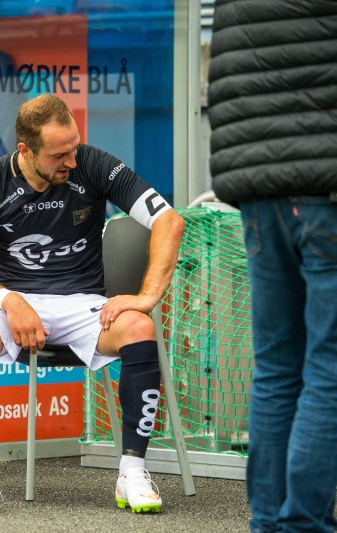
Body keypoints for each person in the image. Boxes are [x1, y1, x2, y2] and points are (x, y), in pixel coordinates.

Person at [0, 93, 184, 513]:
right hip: (13, 302)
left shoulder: (92, 163)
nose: (71, 160)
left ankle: (132, 471)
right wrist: (9, 300)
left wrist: (146, 296)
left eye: (74, 147)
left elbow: (169, 220)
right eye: (59, 155)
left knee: (141, 327)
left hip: (82, 303)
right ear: (26, 150)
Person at [207, 2, 337, 531]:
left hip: (258, 186)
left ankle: (268, 521)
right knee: (328, 366)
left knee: (277, 365)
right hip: (324, 181)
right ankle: (303, 523)